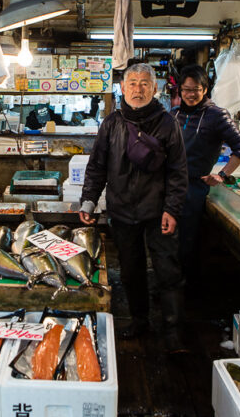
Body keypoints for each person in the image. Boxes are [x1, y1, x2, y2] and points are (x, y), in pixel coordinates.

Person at [79, 63, 188, 352]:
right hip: (122, 211)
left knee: (168, 271)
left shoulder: (168, 123)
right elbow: (97, 166)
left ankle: (173, 331)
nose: (138, 89)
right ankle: (139, 320)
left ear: (155, 89)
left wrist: (173, 209)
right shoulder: (111, 123)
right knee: (130, 270)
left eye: (144, 83)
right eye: (133, 83)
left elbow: (178, 171)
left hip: (158, 212)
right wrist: (89, 200)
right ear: (123, 88)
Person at [172, 65, 240, 286]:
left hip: (194, 188)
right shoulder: (174, 114)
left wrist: (222, 175)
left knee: (187, 241)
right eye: (186, 89)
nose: (190, 94)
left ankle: (186, 291)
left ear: (205, 89)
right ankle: (169, 285)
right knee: (168, 240)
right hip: (169, 185)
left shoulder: (217, 115)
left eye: (195, 89)